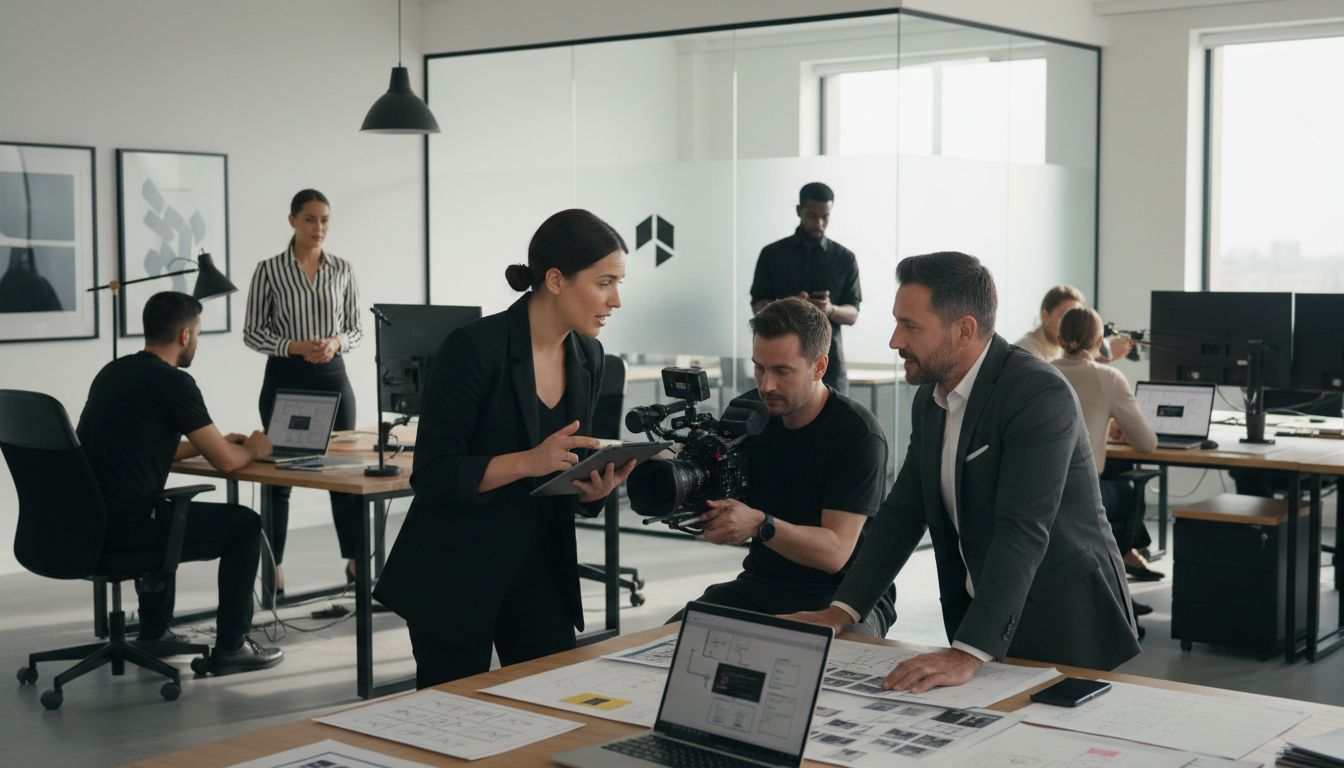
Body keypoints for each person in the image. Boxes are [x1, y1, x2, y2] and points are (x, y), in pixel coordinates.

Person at [786, 251, 1139, 693]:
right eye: (896, 323)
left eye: (910, 326)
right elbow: (903, 513)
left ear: (965, 329)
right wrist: (843, 610)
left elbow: (1022, 529)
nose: (895, 341)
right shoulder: (931, 398)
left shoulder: (1037, 393)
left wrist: (969, 651)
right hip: (984, 620)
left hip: (1064, 624)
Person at [373, 209, 635, 688]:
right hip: (456, 568)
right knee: (452, 716)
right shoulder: (473, 348)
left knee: (549, 704)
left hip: (542, 569)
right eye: (604, 283)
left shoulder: (590, 355)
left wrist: (592, 490)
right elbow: (432, 473)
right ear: (555, 280)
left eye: (618, 283)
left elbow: (567, 466)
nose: (616, 300)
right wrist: (526, 462)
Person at [78, 291, 284, 674]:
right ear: (185, 335)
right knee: (245, 525)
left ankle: (154, 631)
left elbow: (144, 445)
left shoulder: (113, 372)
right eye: (199, 333)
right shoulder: (174, 382)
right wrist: (254, 448)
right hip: (128, 529)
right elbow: (227, 462)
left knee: (165, 509)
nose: (196, 341)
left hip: (88, 525)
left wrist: (208, 444)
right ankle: (232, 648)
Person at [670, 297, 894, 635]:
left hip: (843, 596)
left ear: (819, 367)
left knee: (827, 656)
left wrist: (759, 524)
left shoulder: (857, 434)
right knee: (668, 644)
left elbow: (835, 552)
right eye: (759, 368)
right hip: (762, 584)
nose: (766, 385)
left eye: (782, 371)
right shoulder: (746, 413)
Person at [243, 189, 363, 594]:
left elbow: (356, 328)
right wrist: (293, 346)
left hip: (332, 374)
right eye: (310, 219)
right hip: (285, 377)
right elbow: (253, 332)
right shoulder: (269, 270)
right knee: (280, 476)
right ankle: (273, 566)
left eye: (325, 219)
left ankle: (356, 562)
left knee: (343, 472)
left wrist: (336, 342)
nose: (319, 227)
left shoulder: (342, 268)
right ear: (292, 220)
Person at [1051, 306, 1164, 601]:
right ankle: (1119, 581)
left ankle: (1114, 577)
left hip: (1042, 492)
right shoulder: (1108, 377)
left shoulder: (1041, 371)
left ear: (1059, 338)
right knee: (1129, 490)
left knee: (1113, 474)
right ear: (1099, 340)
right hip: (1084, 495)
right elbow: (1147, 444)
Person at [750, 182, 861, 395]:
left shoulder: (845, 258)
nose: (819, 223)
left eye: (825, 217)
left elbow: (853, 313)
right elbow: (758, 306)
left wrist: (830, 309)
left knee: (835, 416)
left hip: (830, 364)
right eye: (812, 215)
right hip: (781, 364)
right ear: (799, 210)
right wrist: (791, 307)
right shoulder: (772, 254)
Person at [1015, 285, 1134, 364]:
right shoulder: (1026, 351)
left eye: (1076, 318)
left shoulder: (1062, 349)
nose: (1072, 324)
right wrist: (1107, 354)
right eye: (1065, 316)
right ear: (1045, 316)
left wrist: (1105, 356)